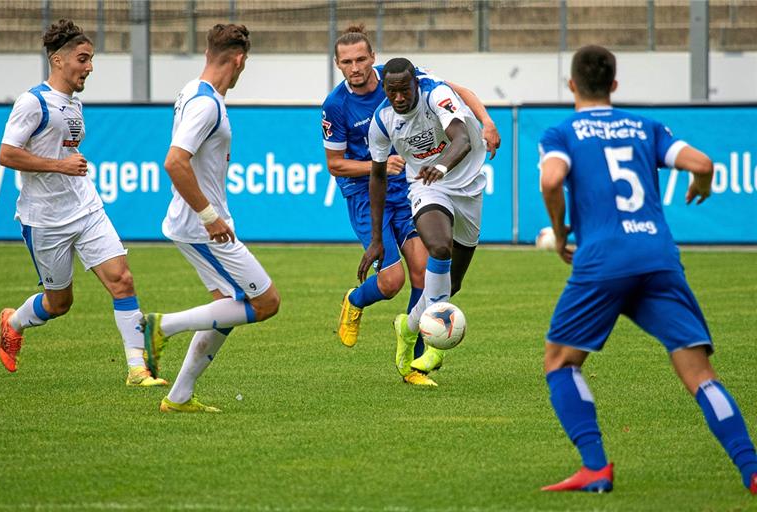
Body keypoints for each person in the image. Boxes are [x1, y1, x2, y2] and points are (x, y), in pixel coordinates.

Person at [538, 45, 757, 494]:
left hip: (602, 260)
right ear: (614, 85)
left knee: (560, 361)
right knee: (699, 374)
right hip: (657, 257)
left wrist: (560, 233)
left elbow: (551, 179)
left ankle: (595, 468)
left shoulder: (561, 132)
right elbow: (702, 163)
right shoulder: (645, 126)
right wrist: (703, 182)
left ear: (572, 85)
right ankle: (751, 469)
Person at [324, 25, 499, 386]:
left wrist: (486, 121)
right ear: (338, 65)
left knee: (438, 280)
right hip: (381, 191)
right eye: (347, 62)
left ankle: (409, 331)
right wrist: (375, 234)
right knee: (396, 279)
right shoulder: (341, 108)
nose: (355, 67)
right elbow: (339, 165)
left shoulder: (412, 78)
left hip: (434, 180)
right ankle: (408, 345)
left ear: (373, 59)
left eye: (361, 59)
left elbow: (459, 99)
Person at [0, 19, 166, 387]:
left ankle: (138, 369)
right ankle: (13, 322)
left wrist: (67, 161)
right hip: (45, 220)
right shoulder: (33, 102)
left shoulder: (74, 103)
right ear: (58, 60)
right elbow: (7, 154)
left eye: (91, 60)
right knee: (59, 303)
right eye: (83, 59)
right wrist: (60, 165)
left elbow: (63, 148)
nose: (89, 67)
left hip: (86, 208)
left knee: (122, 280)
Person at [141, 24, 280, 413]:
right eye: (244, 63)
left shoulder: (193, 91)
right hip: (201, 227)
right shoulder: (207, 105)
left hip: (196, 224)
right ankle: (160, 327)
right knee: (266, 302)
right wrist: (209, 216)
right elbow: (174, 161)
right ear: (238, 59)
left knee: (227, 307)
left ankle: (180, 396)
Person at [359, 57, 489, 387]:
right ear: (384, 89)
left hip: (467, 184)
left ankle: (408, 326)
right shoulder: (382, 120)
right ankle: (434, 346)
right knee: (439, 247)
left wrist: (442, 166)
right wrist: (376, 239)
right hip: (426, 185)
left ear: (415, 83)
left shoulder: (437, 95)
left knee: (451, 285)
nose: (399, 98)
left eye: (404, 90)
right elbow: (377, 177)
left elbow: (461, 139)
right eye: (392, 91)